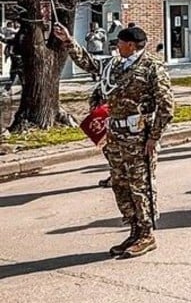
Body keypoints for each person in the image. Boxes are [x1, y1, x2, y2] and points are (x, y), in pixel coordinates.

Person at [53, 23, 174, 259]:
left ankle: (147, 234)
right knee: (121, 184)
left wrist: (154, 137)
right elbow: (89, 62)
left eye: (119, 42)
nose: (116, 46)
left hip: (139, 136)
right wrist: (68, 40)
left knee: (141, 186)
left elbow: (167, 107)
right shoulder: (115, 64)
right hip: (116, 136)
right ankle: (134, 230)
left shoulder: (152, 67)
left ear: (130, 45)